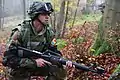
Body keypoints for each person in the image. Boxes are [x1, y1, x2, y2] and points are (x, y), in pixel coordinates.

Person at [2, 1, 73, 80]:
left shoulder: (49, 33)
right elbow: (8, 59)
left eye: (48, 14)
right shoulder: (21, 32)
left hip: (40, 64)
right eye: (44, 14)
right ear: (35, 15)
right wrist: (34, 62)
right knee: (16, 73)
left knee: (59, 71)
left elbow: (54, 52)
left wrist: (63, 61)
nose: (47, 17)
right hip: (20, 67)